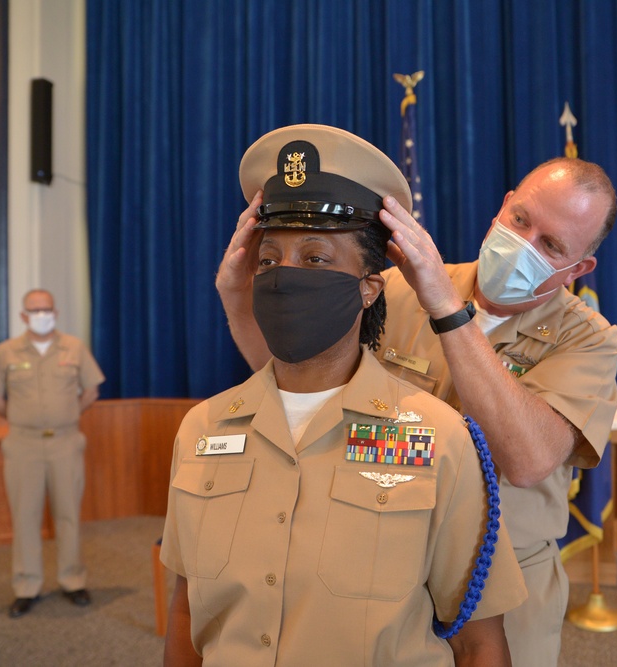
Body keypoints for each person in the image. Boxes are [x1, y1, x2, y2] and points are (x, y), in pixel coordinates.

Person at [218, 153, 617, 665]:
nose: (524, 243)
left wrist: (449, 312)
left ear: (578, 268)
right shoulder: (402, 288)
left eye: (551, 245)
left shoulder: (589, 340)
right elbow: (301, 382)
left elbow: (527, 460)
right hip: (379, 567)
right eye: (521, 219)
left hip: (501, 580)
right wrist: (236, 298)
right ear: (503, 206)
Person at [161, 124, 527, 666]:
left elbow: (478, 642)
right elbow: (187, 615)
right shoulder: (202, 429)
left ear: (369, 287)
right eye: (268, 261)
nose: (285, 277)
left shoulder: (437, 437)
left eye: (315, 259)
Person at [0, 289, 105, 618]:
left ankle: (73, 580)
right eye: (34, 310)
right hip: (23, 445)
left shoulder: (74, 348)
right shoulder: (6, 352)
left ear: (55, 311)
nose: (41, 314)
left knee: (68, 514)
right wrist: (23, 420)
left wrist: (68, 416)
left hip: (66, 442)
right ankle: (26, 586)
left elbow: (91, 390)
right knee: (25, 517)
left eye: (46, 308)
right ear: (23, 316)